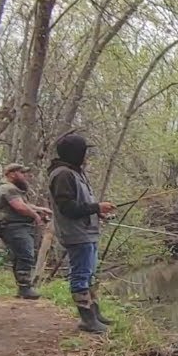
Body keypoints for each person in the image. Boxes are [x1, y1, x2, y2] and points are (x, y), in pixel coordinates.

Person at [47, 133, 116, 334]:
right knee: (81, 275)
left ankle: (95, 314)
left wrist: (99, 213)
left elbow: (81, 205)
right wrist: (96, 207)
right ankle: (87, 320)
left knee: (90, 274)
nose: (87, 156)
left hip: (87, 232)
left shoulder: (75, 172)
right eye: (85, 152)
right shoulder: (62, 175)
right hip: (76, 234)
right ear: (76, 153)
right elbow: (67, 207)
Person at [0, 163, 51, 300]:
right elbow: (19, 207)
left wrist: (39, 209)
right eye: (21, 173)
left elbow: (24, 205)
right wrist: (36, 216)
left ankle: (22, 288)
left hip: (17, 226)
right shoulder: (8, 188)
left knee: (20, 256)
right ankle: (25, 288)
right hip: (14, 227)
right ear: (11, 174)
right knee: (26, 255)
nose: (25, 176)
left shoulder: (12, 189)